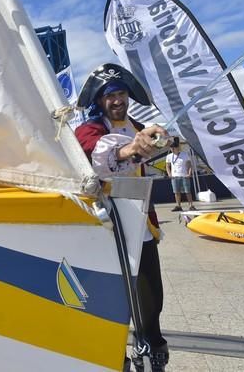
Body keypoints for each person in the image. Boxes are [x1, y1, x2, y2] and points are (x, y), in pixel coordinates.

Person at [74, 63, 169, 372]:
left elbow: (152, 146)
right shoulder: (90, 130)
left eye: (121, 93)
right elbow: (96, 152)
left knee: (151, 295)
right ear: (99, 101)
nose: (117, 100)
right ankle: (115, 357)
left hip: (141, 225)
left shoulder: (140, 126)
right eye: (109, 95)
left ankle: (153, 349)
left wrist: (164, 141)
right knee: (110, 297)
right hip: (105, 226)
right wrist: (130, 149)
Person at [165, 138, 195, 212]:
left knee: (187, 191)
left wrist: (189, 173)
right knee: (176, 192)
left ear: (177, 148)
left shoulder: (184, 155)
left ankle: (191, 205)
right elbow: (167, 166)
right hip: (174, 177)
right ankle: (178, 206)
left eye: (173, 148)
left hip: (184, 175)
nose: (172, 149)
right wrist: (169, 174)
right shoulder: (169, 156)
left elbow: (189, 165)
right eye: (171, 148)